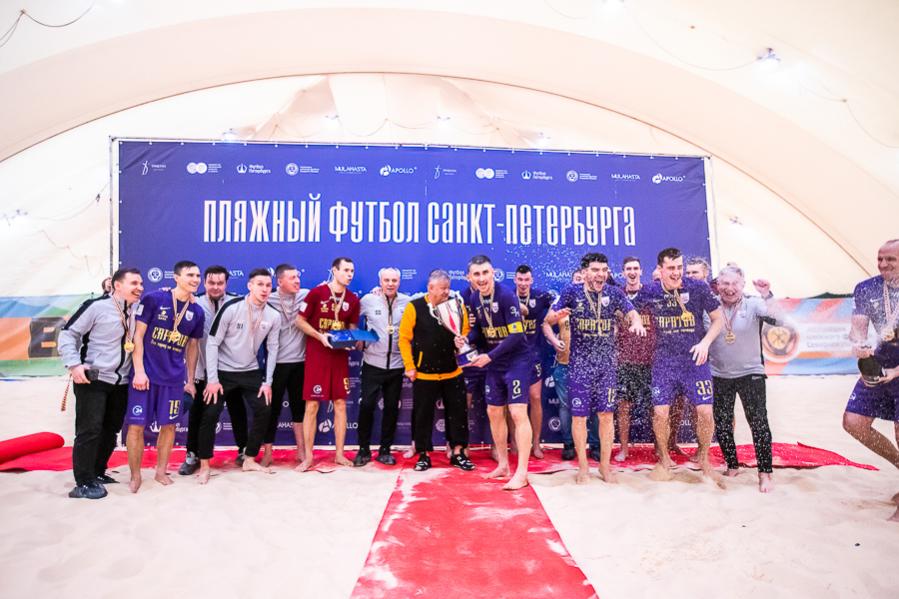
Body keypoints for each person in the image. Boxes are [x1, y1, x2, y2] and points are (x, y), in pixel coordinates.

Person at [545, 253, 645, 483]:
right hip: (579, 366)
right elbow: (548, 320)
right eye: (595, 270)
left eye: (604, 270)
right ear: (585, 273)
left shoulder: (614, 293)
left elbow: (631, 312)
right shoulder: (571, 292)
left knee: (606, 416)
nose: (601, 274)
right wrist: (555, 317)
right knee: (579, 418)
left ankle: (604, 467)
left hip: (606, 367)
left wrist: (637, 322)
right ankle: (582, 467)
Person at [634, 248, 723, 481]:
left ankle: (703, 455)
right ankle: (664, 457)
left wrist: (705, 343)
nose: (676, 273)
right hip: (664, 362)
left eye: (679, 267)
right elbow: (629, 310)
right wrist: (635, 321)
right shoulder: (651, 291)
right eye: (671, 268)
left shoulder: (697, 287)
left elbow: (718, 319)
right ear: (660, 270)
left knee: (705, 411)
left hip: (695, 361)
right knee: (660, 412)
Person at [58, 268, 144, 499]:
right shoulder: (96, 307)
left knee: (111, 429)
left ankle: (97, 472)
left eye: (141, 283)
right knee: (89, 430)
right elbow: (68, 334)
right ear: (117, 285)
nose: (139, 288)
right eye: (134, 283)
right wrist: (74, 365)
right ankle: (83, 482)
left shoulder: (138, 309)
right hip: (93, 379)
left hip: (121, 381)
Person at [126, 261, 205, 493]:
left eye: (197, 275)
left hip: (173, 380)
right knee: (136, 426)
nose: (195, 279)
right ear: (176, 278)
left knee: (169, 426)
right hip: (146, 376)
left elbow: (192, 347)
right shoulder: (154, 299)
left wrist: (190, 380)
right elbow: (138, 336)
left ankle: (160, 472)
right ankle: (135, 475)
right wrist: (139, 371)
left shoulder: (197, 311)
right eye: (190, 275)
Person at [200, 268, 281, 482]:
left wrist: (268, 382)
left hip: (250, 370)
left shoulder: (273, 315)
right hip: (223, 371)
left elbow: (273, 349)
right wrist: (212, 380)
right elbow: (212, 343)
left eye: (268, 285)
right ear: (249, 286)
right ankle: (205, 465)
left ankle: (249, 458)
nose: (265, 289)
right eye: (260, 284)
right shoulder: (231, 307)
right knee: (210, 413)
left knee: (264, 408)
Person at [842, 239, 899, 521]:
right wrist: (860, 347)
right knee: (853, 422)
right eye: (880, 259)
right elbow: (858, 329)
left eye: (891, 259)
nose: (883, 264)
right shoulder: (866, 288)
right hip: (882, 360)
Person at [464, 255, 532, 490]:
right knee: (493, 411)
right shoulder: (474, 298)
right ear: (469, 277)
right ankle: (503, 465)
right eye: (477, 274)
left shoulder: (506, 296)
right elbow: (480, 330)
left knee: (517, 412)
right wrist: (466, 339)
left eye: (485, 273)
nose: (482, 278)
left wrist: (490, 356)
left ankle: (522, 473)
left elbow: (516, 335)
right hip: (495, 360)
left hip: (516, 360)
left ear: (493, 273)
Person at [708, 264, 778, 492]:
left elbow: (778, 319)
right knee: (722, 423)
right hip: (719, 374)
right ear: (718, 285)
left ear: (743, 284)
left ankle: (765, 473)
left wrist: (767, 295)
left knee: (758, 423)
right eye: (725, 283)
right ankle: (732, 465)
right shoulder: (710, 305)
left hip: (751, 373)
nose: (729, 288)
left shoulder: (754, 303)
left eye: (734, 284)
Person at [399, 269, 475, 472]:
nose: (446, 292)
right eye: (442, 288)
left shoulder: (456, 305)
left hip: (453, 371)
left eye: (448, 288)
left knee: (458, 414)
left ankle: (458, 452)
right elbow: (404, 339)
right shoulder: (414, 307)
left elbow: (465, 331)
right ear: (430, 288)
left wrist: (462, 340)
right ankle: (423, 455)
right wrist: (409, 366)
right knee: (422, 415)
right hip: (424, 373)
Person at [178, 266, 247, 476]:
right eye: (211, 283)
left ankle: (244, 451)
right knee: (197, 412)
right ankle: (192, 455)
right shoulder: (194, 302)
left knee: (237, 409)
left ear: (226, 283)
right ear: (204, 283)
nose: (215, 287)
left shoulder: (238, 302)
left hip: (230, 369)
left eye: (220, 283)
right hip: (202, 368)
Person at [295, 257, 361, 471]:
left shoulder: (353, 299)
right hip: (317, 356)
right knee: (312, 405)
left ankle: (339, 454)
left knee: (340, 404)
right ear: (334, 270)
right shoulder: (317, 293)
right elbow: (299, 321)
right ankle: (308, 457)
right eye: (346, 270)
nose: (349, 274)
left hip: (339, 358)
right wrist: (319, 336)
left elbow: (352, 328)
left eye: (352, 271)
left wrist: (351, 341)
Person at [356, 267, 411, 466]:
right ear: (380, 282)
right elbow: (350, 316)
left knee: (391, 409)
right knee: (367, 406)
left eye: (394, 280)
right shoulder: (368, 300)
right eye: (386, 280)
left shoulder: (407, 302)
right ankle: (363, 449)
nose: (390, 284)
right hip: (372, 364)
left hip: (396, 366)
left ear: (399, 282)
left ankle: (385, 450)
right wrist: (359, 337)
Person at [543, 269, 600, 461]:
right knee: (566, 406)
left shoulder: (596, 303)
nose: (579, 282)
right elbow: (545, 324)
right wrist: (554, 341)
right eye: (576, 279)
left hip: (591, 366)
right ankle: (568, 444)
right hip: (565, 364)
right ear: (571, 282)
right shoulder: (562, 302)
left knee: (593, 407)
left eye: (582, 280)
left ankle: (595, 445)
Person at [260, 263, 309, 468]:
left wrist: (378, 290)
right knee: (271, 410)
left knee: (300, 410)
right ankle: (268, 453)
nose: (297, 281)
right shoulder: (267, 298)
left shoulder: (306, 295)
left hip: (300, 363)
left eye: (298, 277)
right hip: (276, 365)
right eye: (292, 278)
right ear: (279, 281)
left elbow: (332, 292)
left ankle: (302, 451)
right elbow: (240, 301)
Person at [614, 257, 655, 462]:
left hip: (650, 361)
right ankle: (624, 449)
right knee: (623, 406)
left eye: (635, 268)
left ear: (641, 271)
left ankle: (660, 448)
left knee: (655, 407)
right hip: (625, 361)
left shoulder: (651, 294)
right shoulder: (617, 295)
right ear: (623, 272)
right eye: (628, 269)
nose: (632, 272)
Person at [513, 265, 554, 459]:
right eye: (520, 280)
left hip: (534, 355)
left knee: (535, 398)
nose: (523, 284)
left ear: (531, 280)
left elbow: (560, 303)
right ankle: (514, 442)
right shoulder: (507, 297)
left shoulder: (540, 296)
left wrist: (550, 320)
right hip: (512, 356)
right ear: (515, 280)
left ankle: (536, 443)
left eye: (526, 280)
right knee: (512, 402)